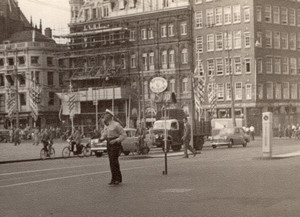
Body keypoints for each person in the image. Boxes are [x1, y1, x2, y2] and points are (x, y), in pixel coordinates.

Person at [100, 109, 126, 186]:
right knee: (111, 161)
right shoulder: (106, 125)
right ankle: (114, 178)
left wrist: (116, 140)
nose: (104, 117)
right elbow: (105, 134)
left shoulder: (116, 125)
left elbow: (124, 135)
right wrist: (101, 139)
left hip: (115, 144)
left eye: (106, 115)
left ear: (110, 116)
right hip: (109, 143)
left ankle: (117, 178)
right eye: (104, 115)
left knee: (114, 161)